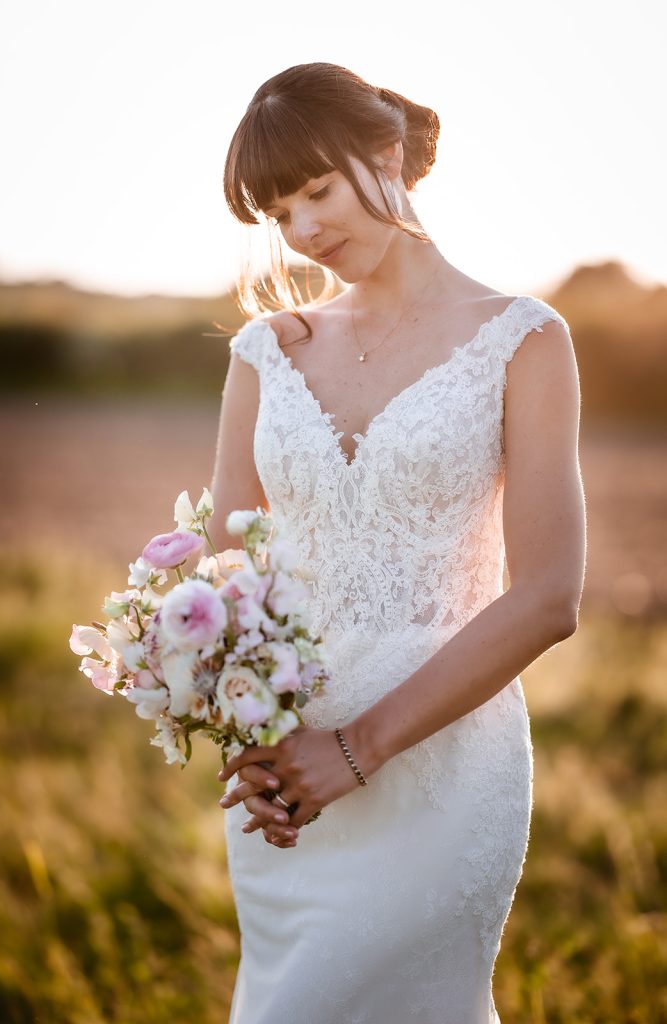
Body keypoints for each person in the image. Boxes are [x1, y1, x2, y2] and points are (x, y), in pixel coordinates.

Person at [210, 62, 586, 1024]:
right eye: (278, 211)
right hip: (287, 773)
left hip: (440, 765)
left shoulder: (522, 339)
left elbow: (548, 595)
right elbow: (223, 570)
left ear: (386, 156)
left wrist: (358, 748)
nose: (303, 231)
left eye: (317, 190)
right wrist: (246, 735)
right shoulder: (266, 351)